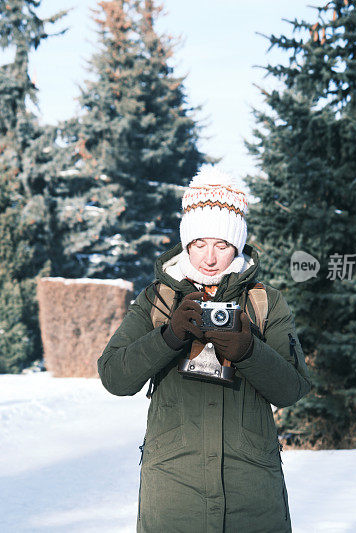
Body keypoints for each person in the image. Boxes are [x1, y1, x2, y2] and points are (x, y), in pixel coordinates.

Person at [98, 166, 311, 532]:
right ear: (186, 243)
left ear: (237, 245)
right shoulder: (157, 300)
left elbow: (292, 389)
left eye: (222, 245)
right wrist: (167, 337)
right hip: (173, 496)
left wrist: (248, 352)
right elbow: (114, 376)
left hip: (251, 496)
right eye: (199, 244)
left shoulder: (265, 303)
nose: (209, 258)